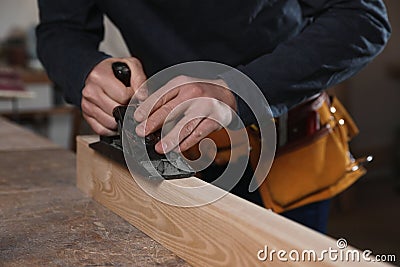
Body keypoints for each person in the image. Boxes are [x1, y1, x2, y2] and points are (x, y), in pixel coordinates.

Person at [36, 0, 391, 233]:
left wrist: (240, 88)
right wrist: (84, 70)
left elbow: (363, 19)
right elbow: (61, 30)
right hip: (169, 159)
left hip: (284, 151)